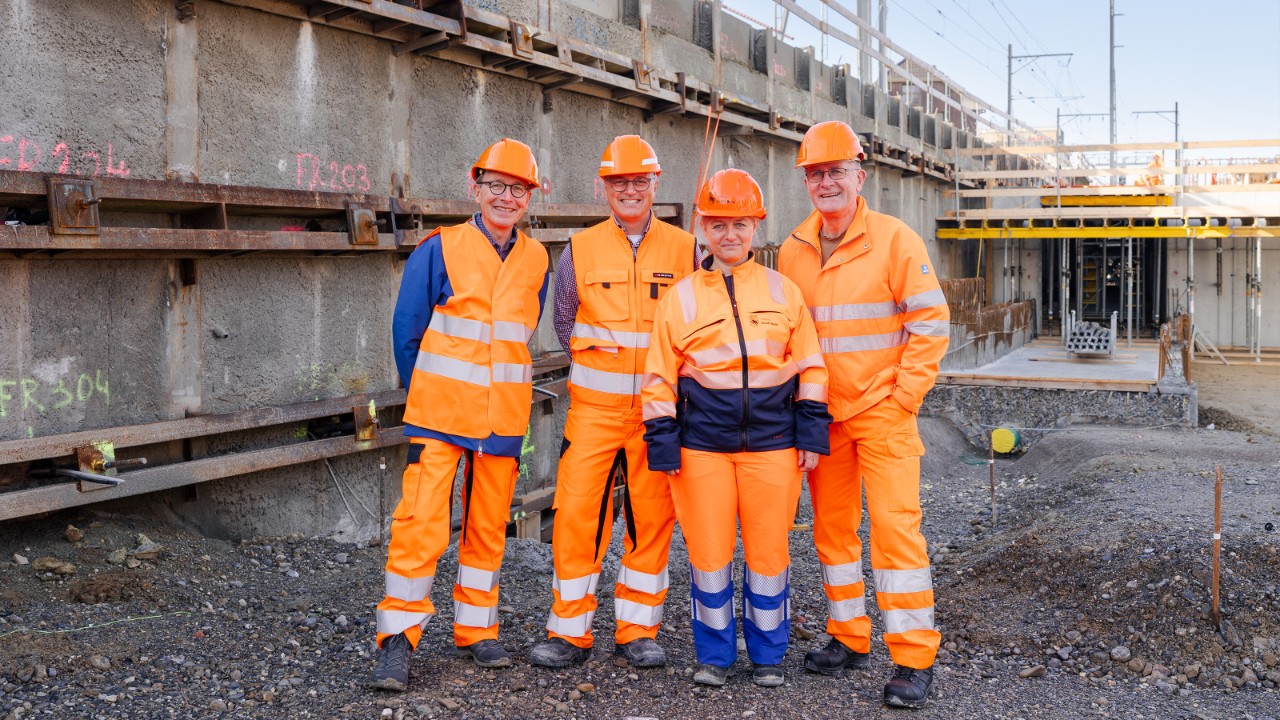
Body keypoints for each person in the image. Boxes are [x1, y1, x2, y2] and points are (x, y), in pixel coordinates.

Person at [778, 121, 950, 708]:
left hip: (881, 411)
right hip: (824, 417)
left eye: (836, 171)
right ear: (805, 180)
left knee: (897, 532)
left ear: (860, 176)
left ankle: (912, 656)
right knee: (832, 531)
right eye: (816, 173)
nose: (826, 182)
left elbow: (930, 323)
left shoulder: (895, 240)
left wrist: (904, 397)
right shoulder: (792, 249)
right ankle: (849, 636)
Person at [370, 138, 550, 691]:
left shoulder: (537, 258)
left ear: (529, 198)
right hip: (441, 415)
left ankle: (477, 629)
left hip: (502, 420)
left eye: (516, 189)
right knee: (420, 524)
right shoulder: (439, 248)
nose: (504, 197)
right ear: (476, 187)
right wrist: (425, 393)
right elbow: (408, 332)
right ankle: (398, 640)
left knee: (489, 527)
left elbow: (520, 335)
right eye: (495, 185)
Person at [642, 168, 831, 688]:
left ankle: (768, 657)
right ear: (702, 225)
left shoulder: (783, 291)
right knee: (709, 555)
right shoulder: (679, 299)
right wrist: (663, 443)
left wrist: (812, 433)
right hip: (702, 449)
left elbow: (811, 366)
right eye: (719, 224)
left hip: (774, 446)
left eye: (741, 224)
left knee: (769, 556)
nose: (730, 235)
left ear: (756, 228)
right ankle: (715, 656)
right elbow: (658, 377)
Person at [529, 136, 699, 669]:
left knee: (651, 521)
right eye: (618, 182)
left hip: (657, 416)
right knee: (578, 517)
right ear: (604, 187)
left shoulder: (687, 248)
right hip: (595, 416)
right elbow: (563, 324)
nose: (629, 190)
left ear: (656, 183)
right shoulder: (578, 250)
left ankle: (637, 631)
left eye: (639, 181)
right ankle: (569, 631)